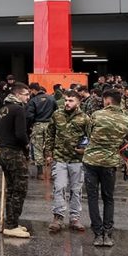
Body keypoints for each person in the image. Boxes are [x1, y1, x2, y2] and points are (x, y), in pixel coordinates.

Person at [84, 89, 128, 247]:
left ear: (107, 101)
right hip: (110, 163)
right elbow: (127, 139)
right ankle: (108, 233)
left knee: (92, 198)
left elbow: (89, 134)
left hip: (91, 161)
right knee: (108, 198)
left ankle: (97, 233)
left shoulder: (97, 115)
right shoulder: (127, 119)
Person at [45, 90, 91, 233]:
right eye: (66, 100)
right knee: (59, 187)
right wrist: (48, 152)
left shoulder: (85, 119)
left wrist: (85, 150)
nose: (67, 103)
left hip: (77, 160)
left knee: (76, 190)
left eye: (71, 100)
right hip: (59, 158)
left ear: (78, 102)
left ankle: (74, 218)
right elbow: (50, 133)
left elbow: (90, 137)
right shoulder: (57, 115)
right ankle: (58, 217)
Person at [0, 83, 32, 238]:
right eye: (25, 94)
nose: (28, 97)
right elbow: (20, 133)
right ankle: (11, 225)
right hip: (14, 152)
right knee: (19, 189)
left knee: (11, 189)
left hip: (3, 151)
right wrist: (27, 145)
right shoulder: (18, 109)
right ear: (18, 95)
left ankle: (12, 222)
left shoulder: (3, 109)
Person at [25, 82, 57, 179]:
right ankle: (53, 172)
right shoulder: (51, 98)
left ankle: (40, 173)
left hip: (38, 125)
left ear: (34, 90)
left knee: (37, 148)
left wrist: (29, 126)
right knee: (50, 147)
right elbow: (57, 111)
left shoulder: (33, 100)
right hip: (50, 125)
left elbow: (29, 115)